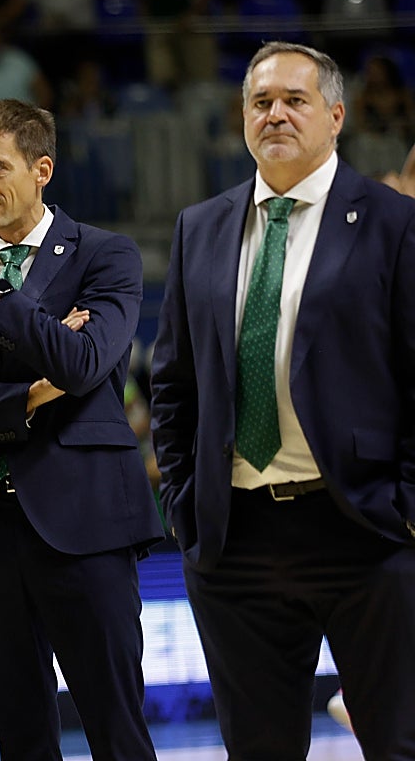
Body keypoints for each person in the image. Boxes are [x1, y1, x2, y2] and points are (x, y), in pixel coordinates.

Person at [150, 41, 415, 758]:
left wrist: (405, 510)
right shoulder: (199, 227)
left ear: (335, 116)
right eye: (261, 101)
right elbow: (172, 385)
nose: (276, 114)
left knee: (395, 744)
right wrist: (186, 504)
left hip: (363, 530)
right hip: (237, 540)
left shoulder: (393, 223)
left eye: (294, 100)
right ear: (242, 118)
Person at [0, 98, 163, 760]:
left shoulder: (107, 256)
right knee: (21, 741)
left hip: (88, 528)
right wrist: (31, 393)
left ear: (41, 168)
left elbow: (82, 364)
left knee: (119, 732)